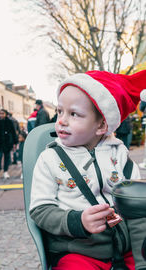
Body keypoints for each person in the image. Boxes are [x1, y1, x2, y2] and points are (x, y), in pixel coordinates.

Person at [30, 70, 146, 270]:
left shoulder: (120, 156)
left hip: (125, 248)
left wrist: (141, 261)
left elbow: (137, 213)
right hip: (77, 251)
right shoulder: (49, 159)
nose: (61, 121)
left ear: (101, 125)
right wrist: (78, 221)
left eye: (73, 114)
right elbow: (40, 211)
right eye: (60, 111)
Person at [0, 109, 18, 180]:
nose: (1, 115)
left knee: (7, 157)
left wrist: (14, 142)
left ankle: (5, 171)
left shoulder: (9, 122)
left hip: (7, 143)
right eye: (0, 113)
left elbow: (13, 132)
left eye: (2, 113)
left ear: (6, 114)